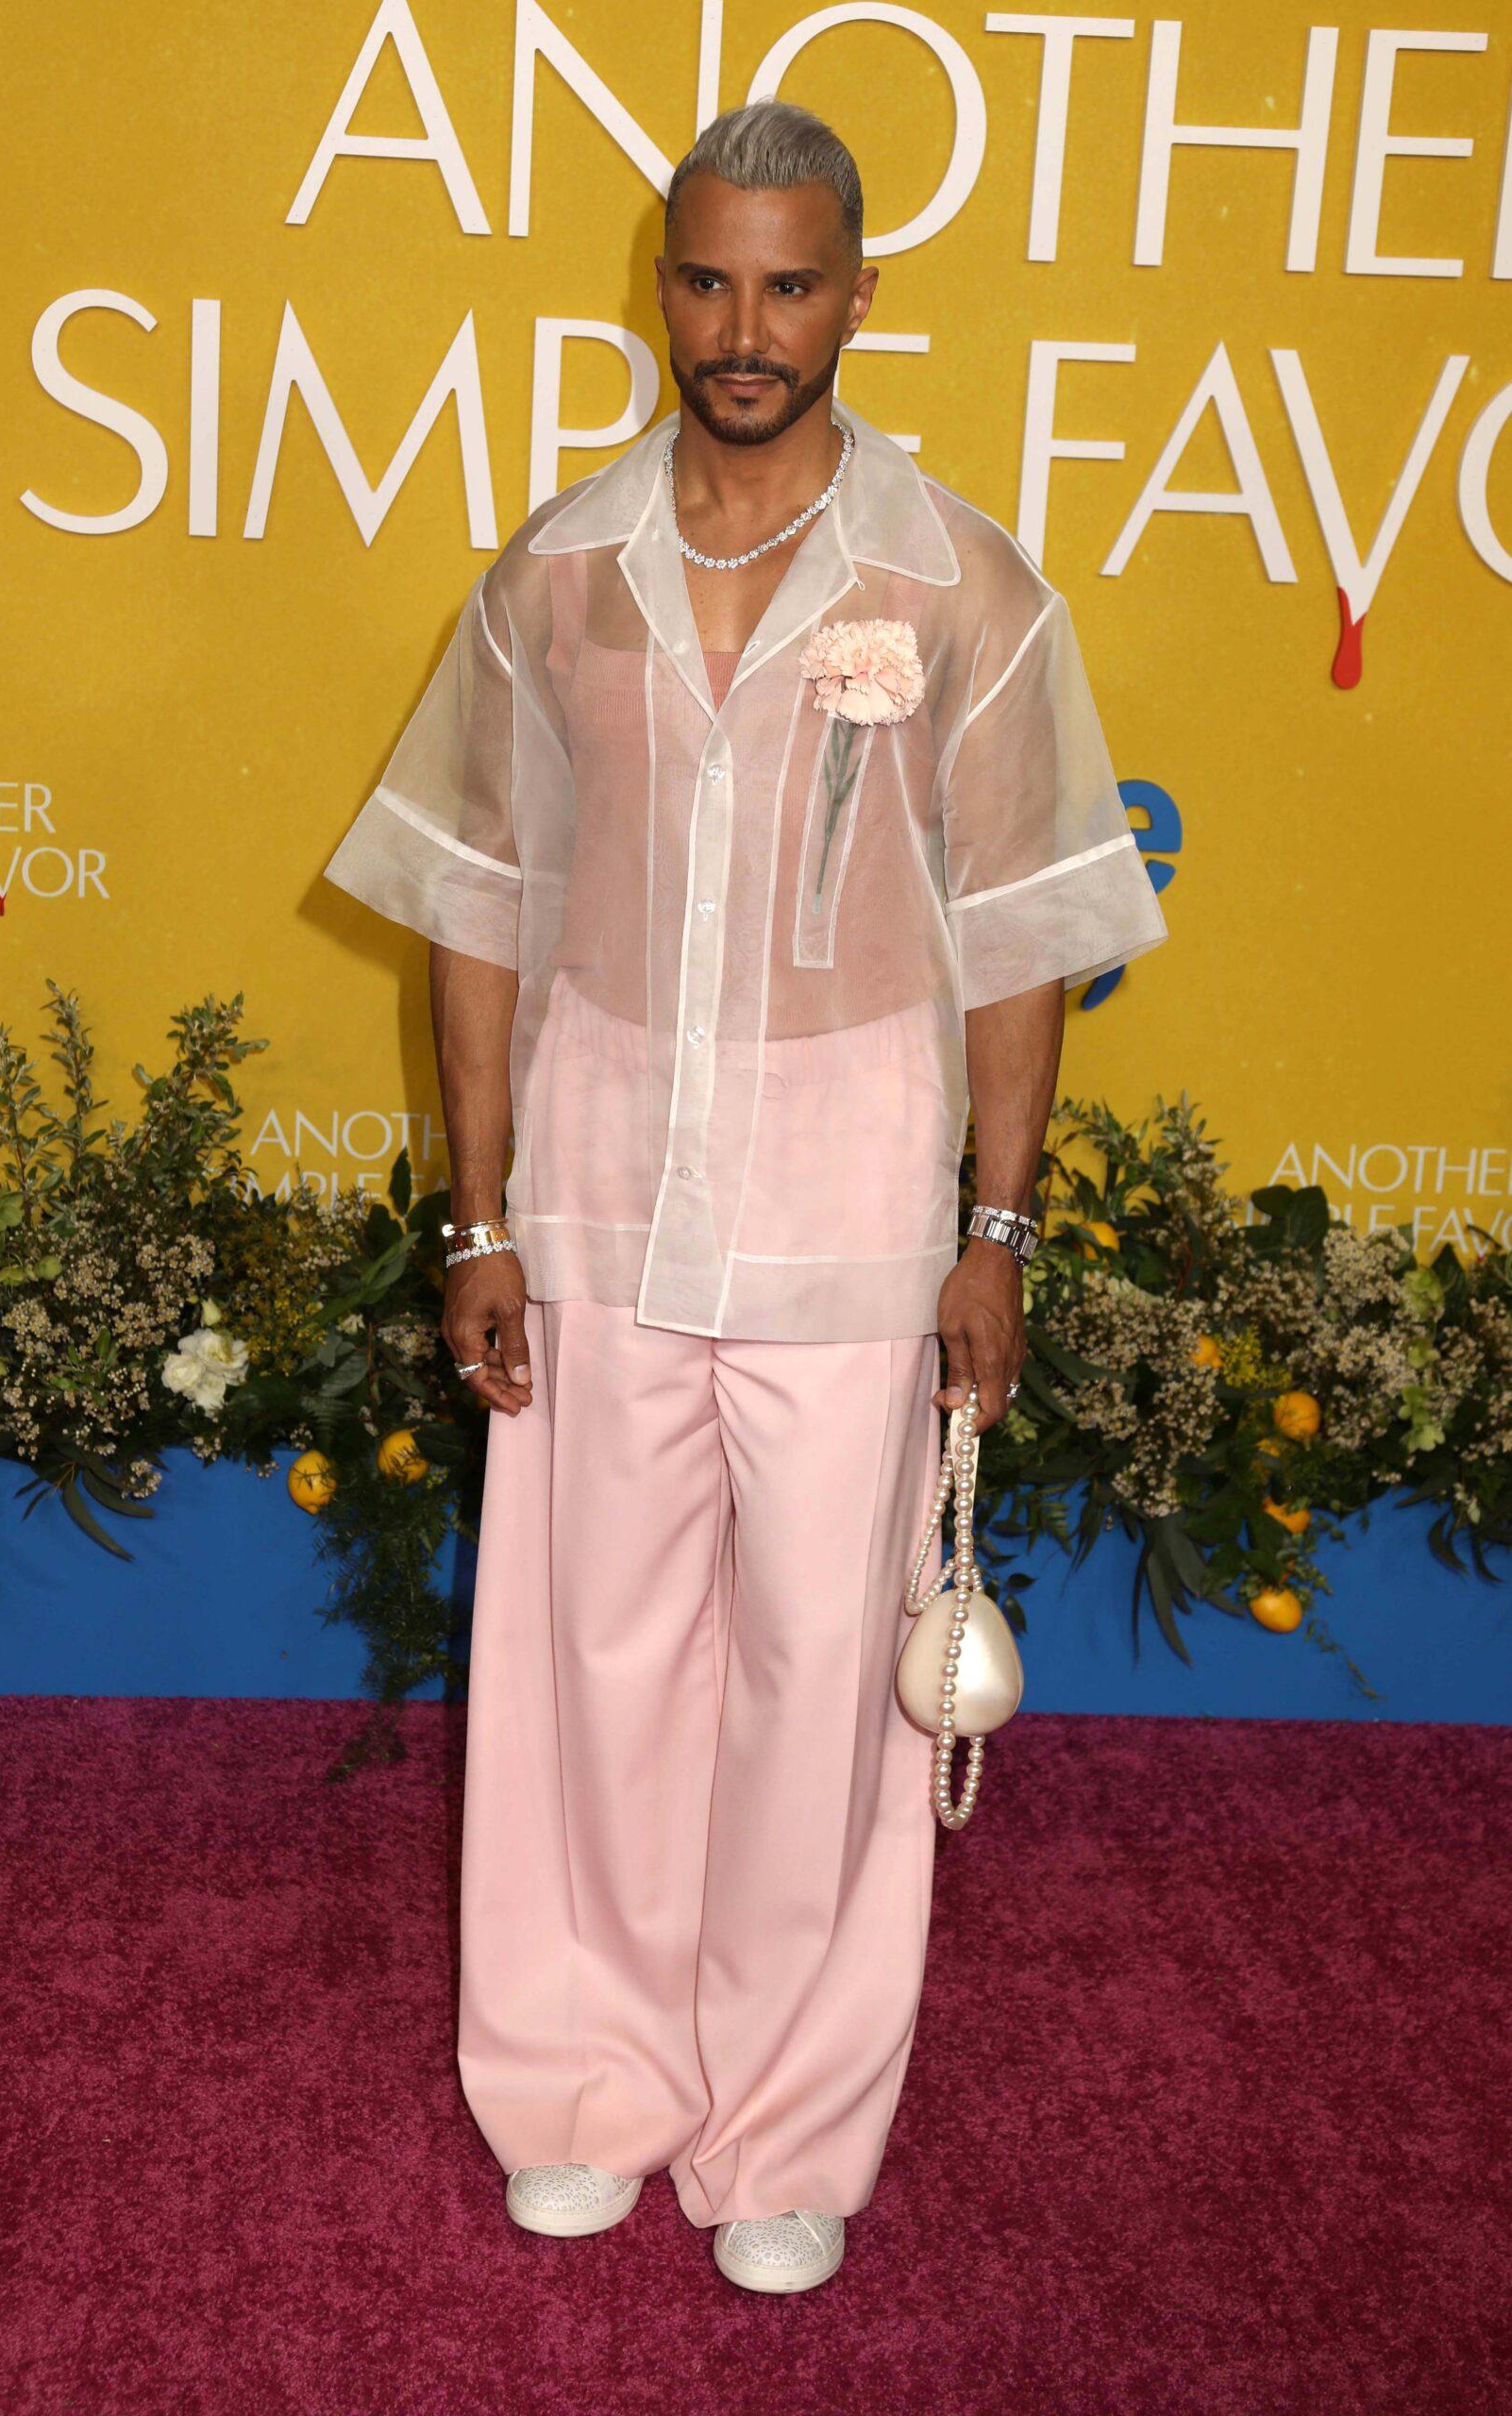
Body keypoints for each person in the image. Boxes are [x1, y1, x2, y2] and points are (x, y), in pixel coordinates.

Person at [321, 98, 1168, 2296]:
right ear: (661, 285)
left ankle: (786, 2122)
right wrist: (480, 1216)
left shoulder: (958, 582)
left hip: (850, 1214)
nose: (745, 328)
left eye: (791, 285)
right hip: (598, 1200)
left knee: (824, 1687)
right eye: (708, 281)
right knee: (586, 1663)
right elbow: (479, 900)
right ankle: (584, 2078)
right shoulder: (557, 570)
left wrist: (996, 1232)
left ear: (861, 295)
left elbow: (1020, 925)